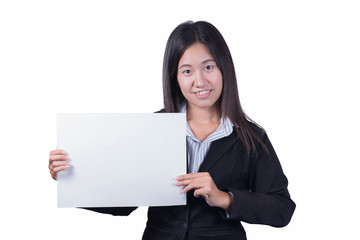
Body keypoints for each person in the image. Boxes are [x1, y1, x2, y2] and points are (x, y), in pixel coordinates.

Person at [49, 20, 295, 240]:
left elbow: (281, 209)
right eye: (187, 71)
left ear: (224, 69)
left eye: (208, 67)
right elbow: (122, 203)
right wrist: (71, 178)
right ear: (175, 77)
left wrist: (224, 198)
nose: (199, 81)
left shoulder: (250, 138)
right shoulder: (151, 130)